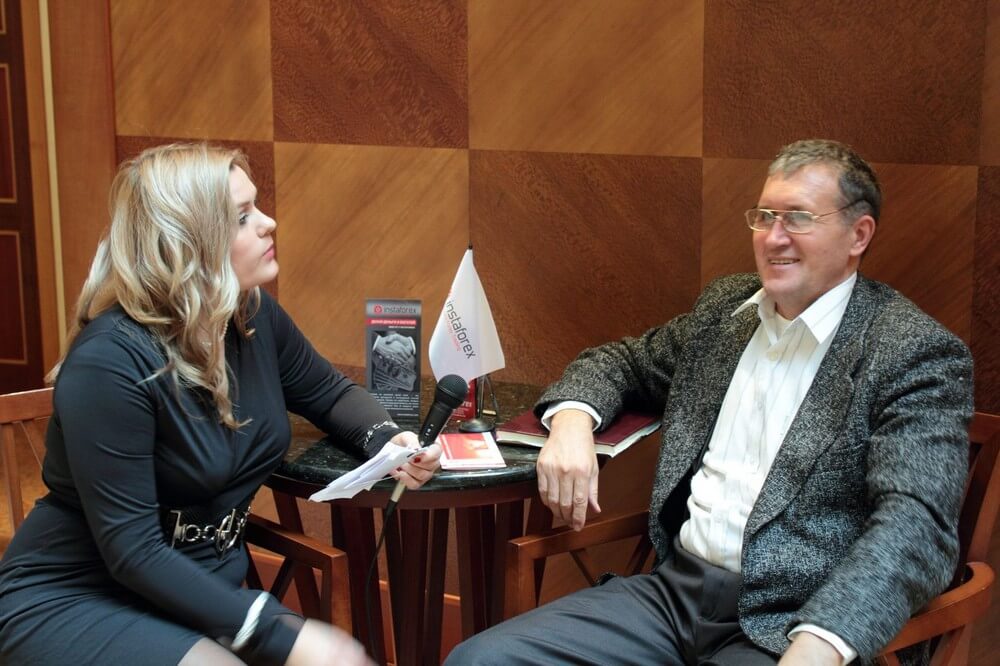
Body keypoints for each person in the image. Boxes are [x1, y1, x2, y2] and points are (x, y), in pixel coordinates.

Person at [447, 139, 974, 665]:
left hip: (793, 624)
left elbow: (916, 525)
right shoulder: (726, 312)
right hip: (671, 598)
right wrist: (570, 422)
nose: (774, 237)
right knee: (481, 661)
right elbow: (621, 362)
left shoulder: (910, 351)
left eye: (797, 218)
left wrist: (824, 641)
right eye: (764, 216)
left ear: (858, 234)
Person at [0, 143, 442, 665]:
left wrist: (389, 442)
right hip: (77, 597)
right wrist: (274, 631)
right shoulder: (108, 363)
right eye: (242, 217)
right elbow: (133, 552)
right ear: (187, 243)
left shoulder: (251, 315)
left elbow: (329, 393)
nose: (269, 223)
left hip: (197, 592)